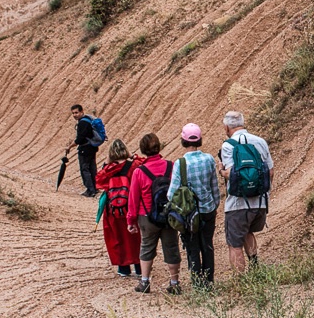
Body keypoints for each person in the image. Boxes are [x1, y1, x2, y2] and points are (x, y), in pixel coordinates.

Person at [166, 123, 220, 288]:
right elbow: (214, 186)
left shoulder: (181, 163)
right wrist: (214, 204)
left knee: (193, 247)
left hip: (190, 214)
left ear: (183, 140)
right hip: (208, 210)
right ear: (200, 140)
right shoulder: (209, 159)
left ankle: (197, 282)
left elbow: (171, 193)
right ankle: (209, 280)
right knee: (208, 245)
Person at [126, 133, 181, 294]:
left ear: (143, 150)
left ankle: (144, 282)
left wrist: (131, 220)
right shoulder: (171, 166)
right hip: (169, 215)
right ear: (159, 147)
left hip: (147, 216)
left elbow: (134, 198)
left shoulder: (139, 172)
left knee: (147, 247)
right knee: (171, 247)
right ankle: (174, 282)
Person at [219, 111, 273, 273]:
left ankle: (241, 282)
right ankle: (255, 269)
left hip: (237, 203)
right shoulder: (260, 142)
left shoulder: (228, 145)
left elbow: (230, 173)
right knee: (248, 231)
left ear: (227, 127)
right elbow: (270, 172)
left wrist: (221, 172)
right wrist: (265, 193)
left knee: (234, 244)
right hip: (260, 202)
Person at [94, 139, 142, 278]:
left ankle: (124, 267)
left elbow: (98, 181)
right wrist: (134, 157)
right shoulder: (134, 165)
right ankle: (139, 267)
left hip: (113, 209)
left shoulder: (109, 169)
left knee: (117, 237)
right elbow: (144, 165)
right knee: (136, 236)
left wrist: (106, 163)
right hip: (132, 206)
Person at [66, 104, 98, 197]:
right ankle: (95, 188)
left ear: (81, 112)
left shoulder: (83, 123)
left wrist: (69, 146)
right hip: (92, 148)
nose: (74, 115)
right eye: (73, 113)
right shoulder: (88, 120)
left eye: (76, 112)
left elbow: (79, 139)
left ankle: (90, 190)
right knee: (92, 168)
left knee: (85, 169)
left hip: (85, 149)